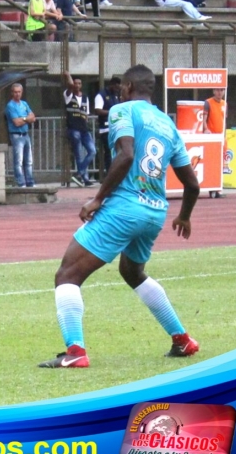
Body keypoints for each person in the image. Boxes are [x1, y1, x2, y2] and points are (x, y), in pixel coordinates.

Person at [39, 64, 200, 368]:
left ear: (127, 88)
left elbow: (126, 155)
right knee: (132, 272)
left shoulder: (122, 110)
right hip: (155, 211)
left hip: (125, 208)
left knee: (67, 274)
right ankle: (182, 340)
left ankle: (75, 352)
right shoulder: (167, 124)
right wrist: (185, 217)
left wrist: (98, 198)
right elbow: (192, 184)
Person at [64, 70, 96, 187]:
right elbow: (70, 86)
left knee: (92, 151)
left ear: (81, 85)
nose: (77, 85)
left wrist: (86, 124)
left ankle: (79, 172)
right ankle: (85, 178)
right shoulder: (68, 95)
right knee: (79, 154)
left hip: (84, 129)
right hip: (73, 128)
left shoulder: (85, 97)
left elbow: (86, 114)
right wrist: (68, 76)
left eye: (79, 83)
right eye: (75, 83)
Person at [4, 83, 35, 188]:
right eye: (15, 92)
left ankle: (30, 182)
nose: (17, 94)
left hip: (25, 134)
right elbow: (16, 122)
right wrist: (26, 118)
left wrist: (23, 119)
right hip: (16, 135)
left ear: (22, 92)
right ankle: (21, 183)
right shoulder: (10, 105)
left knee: (29, 161)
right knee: (18, 161)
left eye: (19, 92)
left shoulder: (24, 104)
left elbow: (33, 117)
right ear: (12, 93)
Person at [94, 76, 121, 176]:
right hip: (105, 129)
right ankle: (110, 174)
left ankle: (117, 173)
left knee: (118, 151)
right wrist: (111, 112)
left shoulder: (116, 95)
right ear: (112, 85)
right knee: (109, 152)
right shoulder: (101, 95)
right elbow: (98, 110)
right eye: (116, 87)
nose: (117, 89)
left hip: (116, 128)